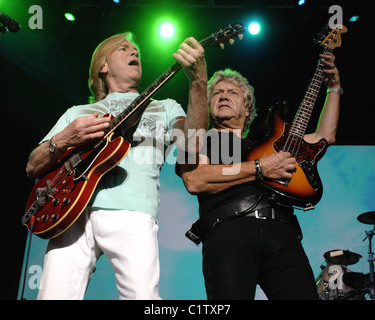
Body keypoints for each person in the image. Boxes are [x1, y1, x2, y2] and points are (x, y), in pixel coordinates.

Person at [25, 31, 208, 300]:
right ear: (103, 66)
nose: (135, 53)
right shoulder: (76, 113)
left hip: (132, 210)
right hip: (70, 213)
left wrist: (198, 82)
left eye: (137, 51)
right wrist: (64, 138)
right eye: (124, 49)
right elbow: (33, 166)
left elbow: (192, 145)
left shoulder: (165, 106)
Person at [177, 52, 341, 300]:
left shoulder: (270, 144)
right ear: (208, 106)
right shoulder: (201, 140)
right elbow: (195, 179)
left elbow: (325, 136)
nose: (223, 95)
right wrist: (260, 168)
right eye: (217, 93)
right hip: (229, 232)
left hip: (282, 232)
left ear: (247, 106)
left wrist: (334, 89)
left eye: (232, 92)